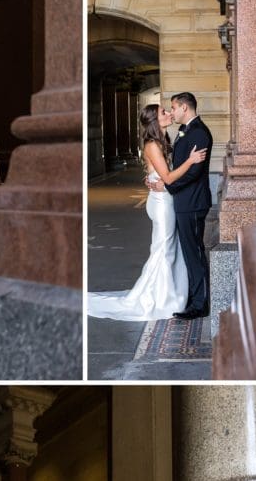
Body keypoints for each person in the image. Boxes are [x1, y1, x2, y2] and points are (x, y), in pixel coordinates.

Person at [86, 103, 206, 321]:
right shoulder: (152, 145)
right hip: (162, 204)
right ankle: (159, 299)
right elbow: (168, 178)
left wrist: (153, 176)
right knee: (164, 250)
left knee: (167, 248)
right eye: (163, 112)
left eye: (168, 110)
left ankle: (172, 295)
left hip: (164, 198)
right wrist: (190, 160)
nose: (169, 113)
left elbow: (162, 174)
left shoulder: (163, 140)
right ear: (154, 120)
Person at [165, 92, 213, 320]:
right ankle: (195, 299)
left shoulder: (200, 133)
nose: (172, 111)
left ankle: (200, 304)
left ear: (184, 107)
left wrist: (170, 186)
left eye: (173, 107)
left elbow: (194, 171)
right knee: (190, 253)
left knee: (194, 253)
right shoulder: (186, 131)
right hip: (186, 201)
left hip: (192, 202)